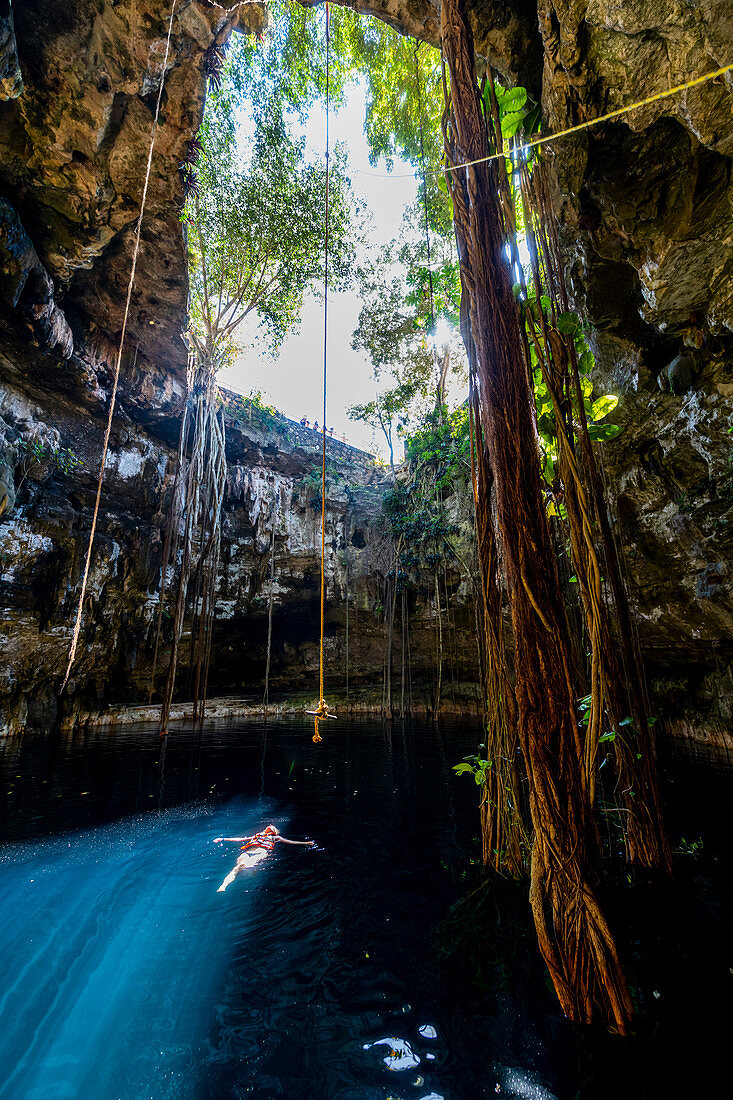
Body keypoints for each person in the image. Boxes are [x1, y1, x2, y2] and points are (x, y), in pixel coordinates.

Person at [214, 825, 314, 892]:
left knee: (244, 866)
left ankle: (249, 870)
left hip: (260, 852)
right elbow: (240, 839)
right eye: (268, 826)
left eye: (271, 826)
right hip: (248, 852)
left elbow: (291, 842)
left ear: (273, 831)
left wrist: (305, 843)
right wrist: (222, 839)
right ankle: (223, 886)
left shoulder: (275, 838)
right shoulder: (257, 835)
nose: (269, 826)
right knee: (236, 868)